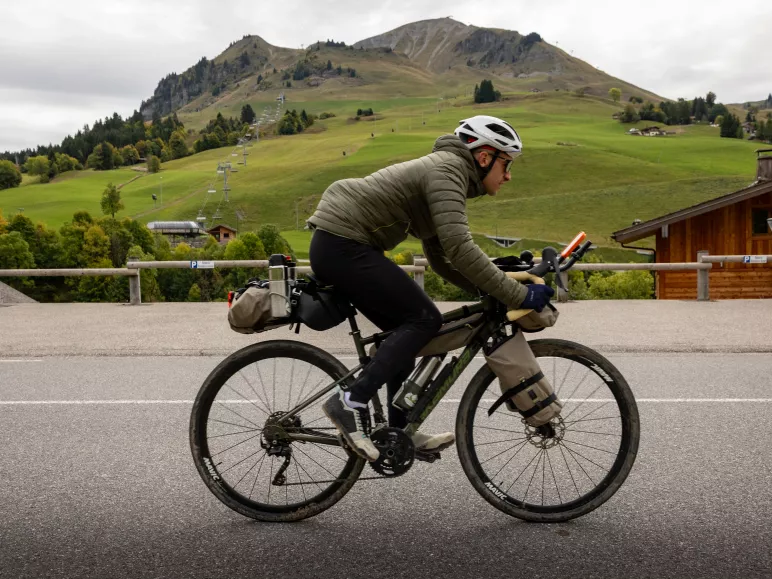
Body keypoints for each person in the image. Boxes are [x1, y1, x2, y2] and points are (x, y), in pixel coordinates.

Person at [307, 115, 555, 461]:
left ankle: (398, 429)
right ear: (484, 157)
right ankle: (350, 401)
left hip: (343, 244)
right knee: (424, 320)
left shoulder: (449, 173)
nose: (509, 175)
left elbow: (440, 258)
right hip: (342, 243)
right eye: (506, 164)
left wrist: (488, 290)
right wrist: (517, 294)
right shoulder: (448, 171)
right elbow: (460, 248)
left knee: (407, 330)